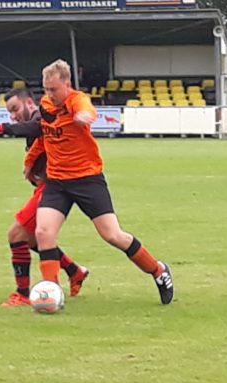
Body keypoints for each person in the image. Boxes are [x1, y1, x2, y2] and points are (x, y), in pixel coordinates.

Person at [24, 59, 174, 304]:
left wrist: (84, 116)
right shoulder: (46, 105)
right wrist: (31, 161)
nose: (49, 94)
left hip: (87, 180)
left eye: (54, 89)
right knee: (43, 232)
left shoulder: (76, 100)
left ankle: (158, 271)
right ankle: (51, 293)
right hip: (57, 181)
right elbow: (44, 136)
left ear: (67, 84)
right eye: (46, 89)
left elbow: (87, 110)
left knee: (113, 235)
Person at [0, 89, 90, 306]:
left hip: (54, 187)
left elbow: (33, 127)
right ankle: (74, 271)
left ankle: (22, 294)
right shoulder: (39, 118)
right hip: (47, 185)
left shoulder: (41, 116)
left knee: (16, 235)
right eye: (9, 113)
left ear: (29, 103)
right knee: (32, 239)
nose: (13, 115)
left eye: (15, 109)